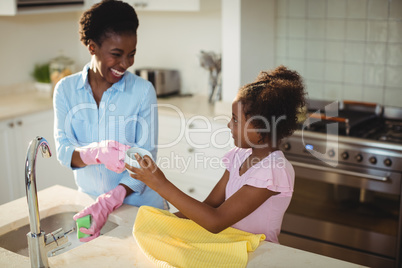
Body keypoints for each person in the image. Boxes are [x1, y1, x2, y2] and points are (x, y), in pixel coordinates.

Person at [126, 65, 306, 243]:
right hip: (229, 249)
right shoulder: (239, 156)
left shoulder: (273, 171)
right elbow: (208, 206)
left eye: (235, 120)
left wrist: (160, 184)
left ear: (262, 127)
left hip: (259, 256)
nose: (229, 125)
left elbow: (216, 220)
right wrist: (161, 223)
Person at [53, 0, 167, 242]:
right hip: (89, 205)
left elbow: (145, 158)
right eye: (116, 54)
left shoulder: (142, 91)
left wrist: (112, 198)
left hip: (140, 206)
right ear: (92, 47)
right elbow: (63, 150)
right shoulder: (65, 89)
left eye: (132, 54)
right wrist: (93, 153)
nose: (125, 64)